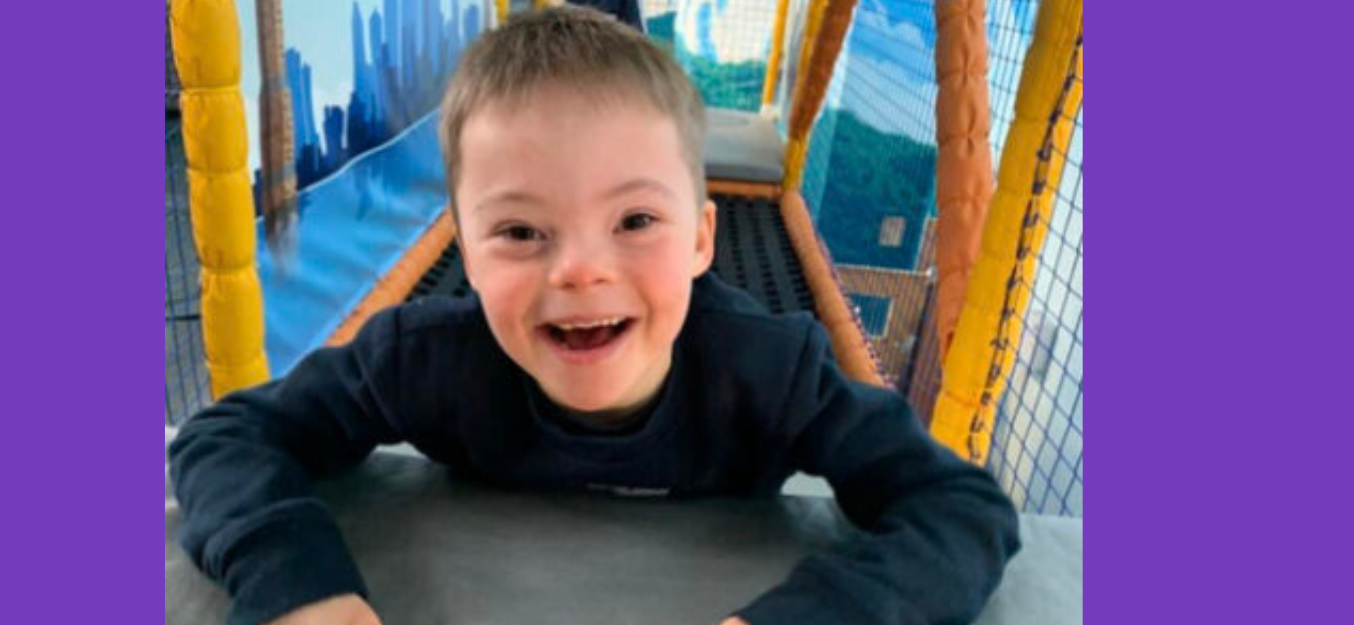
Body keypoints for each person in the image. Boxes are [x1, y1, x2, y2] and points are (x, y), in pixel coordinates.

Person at [169, 7, 1019, 625]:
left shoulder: (768, 369)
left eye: (635, 221)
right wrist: (301, 586)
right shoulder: (427, 359)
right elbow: (224, 436)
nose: (578, 268)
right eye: (521, 231)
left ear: (700, 239)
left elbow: (960, 506)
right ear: (465, 252)